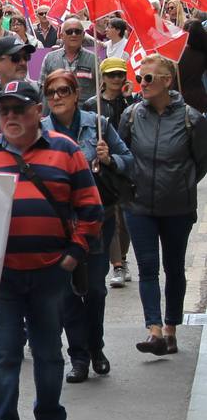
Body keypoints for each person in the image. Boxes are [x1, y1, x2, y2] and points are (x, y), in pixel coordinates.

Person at [0, 80, 102, 420]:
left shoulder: (67, 151)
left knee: (47, 353)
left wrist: (74, 255)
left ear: (37, 111)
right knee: (4, 354)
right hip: (2, 277)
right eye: (4, 110)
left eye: (19, 110)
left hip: (50, 274)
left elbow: (91, 208)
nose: (10, 117)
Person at [40, 70, 132, 384]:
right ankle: (77, 357)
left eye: (64, 91)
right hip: (58, 227)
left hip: (96, 221)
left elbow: (128, 160)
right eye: (51, 92)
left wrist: (110, 159)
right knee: (66, 295)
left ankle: (96, 348)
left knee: (94, 289)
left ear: (76, 93)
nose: (57, 97)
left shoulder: (99, 124)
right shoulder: (40, 132)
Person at [118, 53, 207, 357]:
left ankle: (171, 328)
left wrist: (181, 183)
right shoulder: (130, 115)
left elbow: (201, 161)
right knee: (147, 268)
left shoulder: (191, 119)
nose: (141, 83)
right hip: (139, 205)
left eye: (148, 78)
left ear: (167, 81)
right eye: (140, 77)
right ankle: (153, 330)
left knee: (174, 268)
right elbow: (124, 154)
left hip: (177, 208)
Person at [82, 59, 133, 287]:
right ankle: (117, 265)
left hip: (123, 164)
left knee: (125, 219)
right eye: (111, 75)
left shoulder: (131, 102)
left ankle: (122, 258)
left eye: (119, 75)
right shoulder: (93, 105)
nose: (115, 79)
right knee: (110, 214)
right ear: (102, 77)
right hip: (101, 168)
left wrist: (130, 99)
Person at [40, 17, 98, 102]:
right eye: (69, 32)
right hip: (57, 111)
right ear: (61, 35)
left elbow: (101, 88)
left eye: (77, 31)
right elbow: (42, 88)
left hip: (84, 112)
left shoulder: (94, 59)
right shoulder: (49, 58)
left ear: (83, 35)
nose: (74, 35)